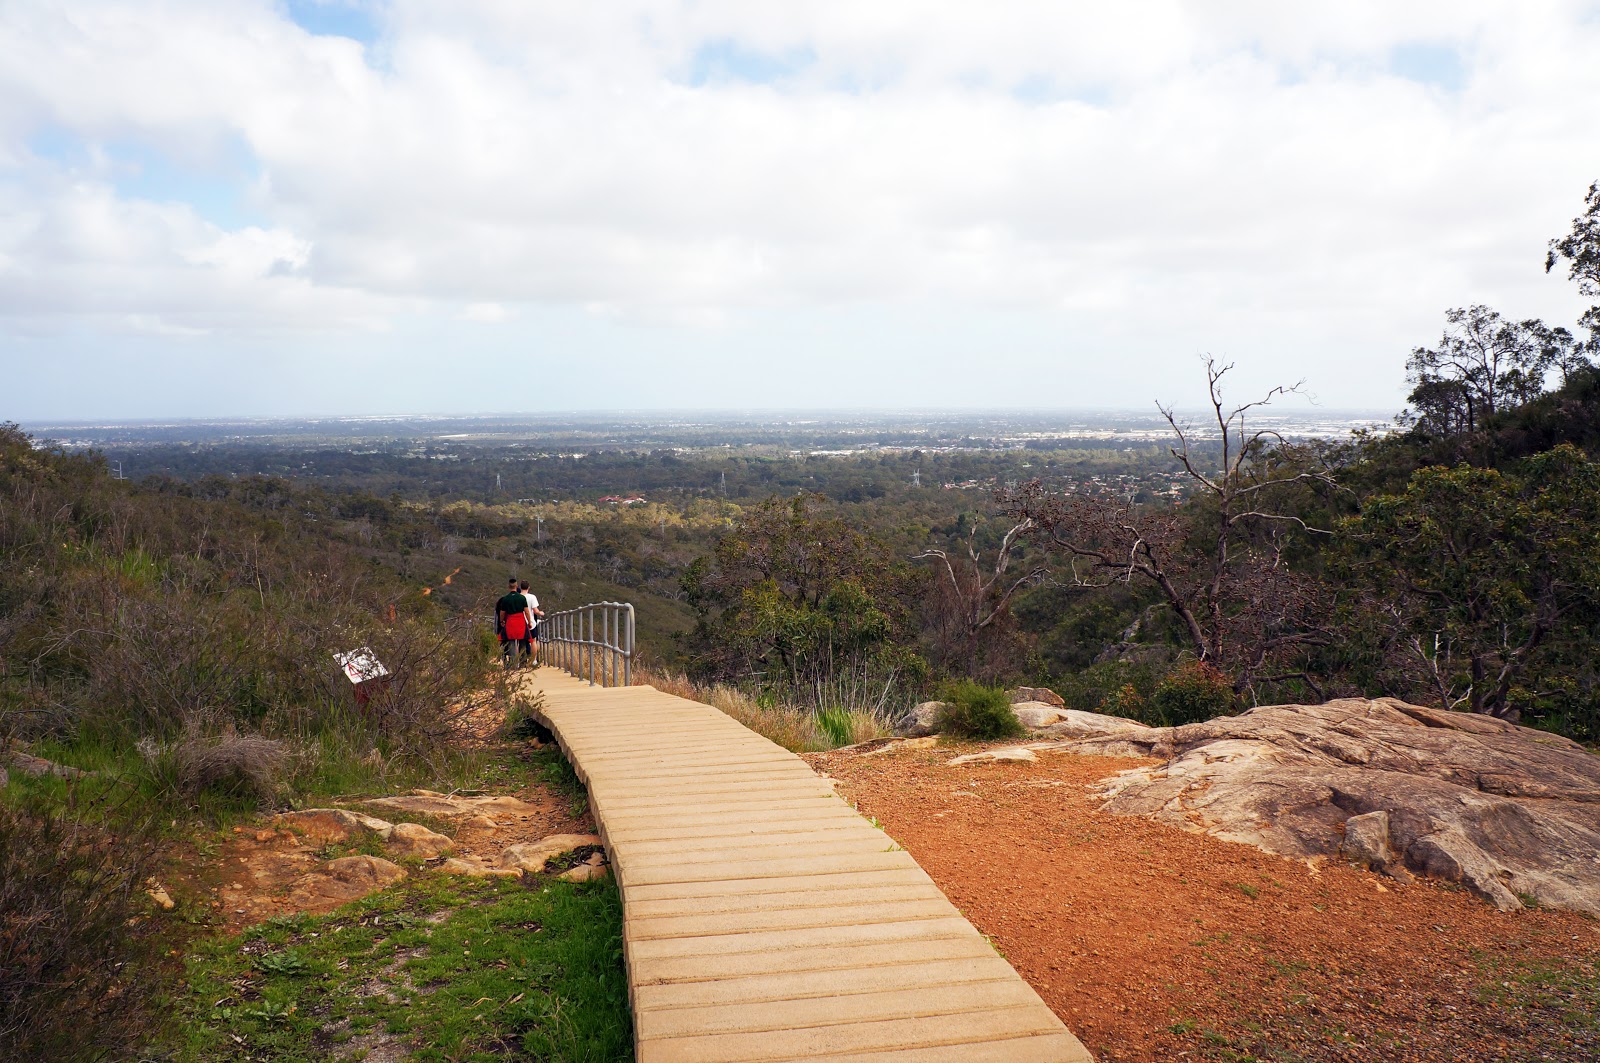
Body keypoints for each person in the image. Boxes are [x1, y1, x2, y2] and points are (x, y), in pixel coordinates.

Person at [496, 578, 529, 669]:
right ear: (517, 586)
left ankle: (512, 663)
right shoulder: (522, 598)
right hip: (520, 621)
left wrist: (502, 621)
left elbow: (502, 613)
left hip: (510, 621)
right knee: (522, 642)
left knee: (511, 642)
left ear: (509, 587)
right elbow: (526, 611)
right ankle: (523, 663)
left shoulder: (505, 599)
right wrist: (529, 621)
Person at [518, 579, 545, 664]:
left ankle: (521, 660)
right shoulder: (532, 597)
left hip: (520, 622)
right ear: (528, 587)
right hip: (531, 623)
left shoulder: (518, 597)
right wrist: (541, 613)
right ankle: (533, 660)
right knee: (533, 641)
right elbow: (535, 610)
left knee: (521, 641)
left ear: (520, 587)